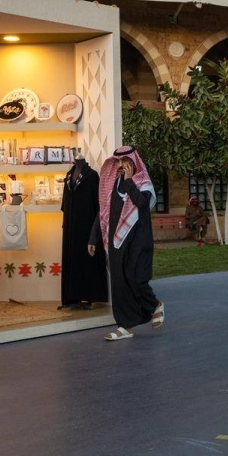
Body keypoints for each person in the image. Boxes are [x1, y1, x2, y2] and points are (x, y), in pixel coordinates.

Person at [88, 146, 164, 340]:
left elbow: (142, 204)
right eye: (119, 161)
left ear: (134, 161)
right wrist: (94, 237)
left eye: (126, 161)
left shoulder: (143, 183)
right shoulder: (113, 183)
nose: (121, 165)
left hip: (138, 241)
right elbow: (104, 212)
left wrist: (130, 182)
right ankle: (125, 327)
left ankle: (155, 305)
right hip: (117, 242)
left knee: (136, 278)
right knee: (119, 284)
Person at [60, 155, 106, 309]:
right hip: (70, 224)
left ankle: (89, 296)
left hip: (87, 224)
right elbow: (65, 202)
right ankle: (72, 297)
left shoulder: (91, 176)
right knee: (72, 257)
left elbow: (98, 202)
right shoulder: (68, 176)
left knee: (86, 259)